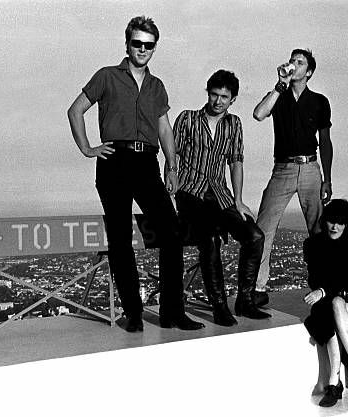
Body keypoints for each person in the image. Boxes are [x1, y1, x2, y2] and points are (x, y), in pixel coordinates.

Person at [67, 16, 204, 333]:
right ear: (127, 44)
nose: (142, 49)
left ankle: (172, 312)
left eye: (149, 45)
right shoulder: (107, 77)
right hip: (114, 160)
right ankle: (134, 315)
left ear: (155, 48)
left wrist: (172, 165)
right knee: (119, 240)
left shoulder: (157, 86)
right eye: (137, 43)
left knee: (171, 233)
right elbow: (75, 110)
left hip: (148, 163)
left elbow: (164, 128)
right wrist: (87, 148)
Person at [173, 70, 270, 326]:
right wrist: (170, 191)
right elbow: (174, 159)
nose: (218, 101)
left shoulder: (234, 124)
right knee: (210, 238)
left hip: (220, 194)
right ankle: (219, 306)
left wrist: (238, 200)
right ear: (208, 93)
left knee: (255, 236)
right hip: (189, 192)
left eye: (224, 97)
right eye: (214, 95)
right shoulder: (187, 119)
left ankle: (245, 301)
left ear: (233, 99)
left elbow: (236, 161)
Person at [252, 48, 333, 308]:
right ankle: (256, 288)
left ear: (308, 72)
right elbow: (258, 113)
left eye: (300, 62)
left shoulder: (320, 101)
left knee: (319, 230)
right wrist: (279, 85)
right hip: (283, 169)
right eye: (292, 61)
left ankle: (325, 285)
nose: (293, 65)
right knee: (263, 227)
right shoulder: (280, 96)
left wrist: (327, 179)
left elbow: (326, 141)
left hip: (310, 167)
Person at [302, 199, 348, 407]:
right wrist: (327, 290)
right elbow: (315, 279)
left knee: (335, 304)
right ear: (324, 222)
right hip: (328, 298)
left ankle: (334, 385)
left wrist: (326, 290)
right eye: (331, 222)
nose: (334, 227)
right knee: (332, 307)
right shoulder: (314, 244)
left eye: (340, 223)